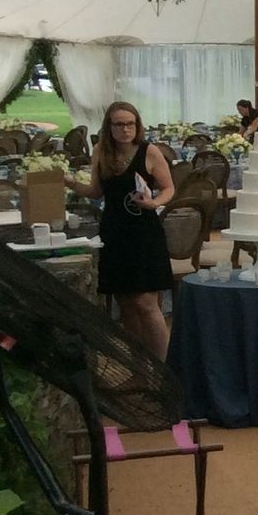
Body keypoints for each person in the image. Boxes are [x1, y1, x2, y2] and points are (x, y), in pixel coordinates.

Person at [67, 100, 174, 358]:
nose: (126, 130)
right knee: (125, 302)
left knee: (146, 302)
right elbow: (96, 191)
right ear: (109, 127)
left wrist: (154, 203)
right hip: (114, 230)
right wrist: (68, 182)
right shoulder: (101, 151)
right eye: (119, 125)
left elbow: (169, 188)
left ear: (137, 126)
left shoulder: (149, 151)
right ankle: (137, 364)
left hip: (143, 231)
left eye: (130, 124)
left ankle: (163, 369)